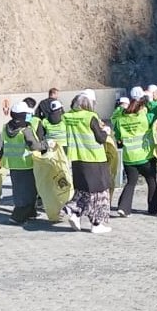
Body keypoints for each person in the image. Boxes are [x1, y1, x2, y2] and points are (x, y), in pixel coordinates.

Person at [60, 91, 113, 233]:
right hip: (94, 158)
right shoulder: (90, 117)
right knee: (99, 192)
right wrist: (106, 131)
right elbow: (100, 138)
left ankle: (75, 212)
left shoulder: (68, 116)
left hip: (77, 158)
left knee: (83, 189)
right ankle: (97, 223)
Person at [113, 88, 157, 217]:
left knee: (131, 182)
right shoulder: (145, 116)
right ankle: (154, 208)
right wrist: (150, 101)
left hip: (129, 157)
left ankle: (123, 207)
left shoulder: (121, 118)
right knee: (151, 181)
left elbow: (116, 131)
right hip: (145, 156)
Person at [0, 101, 48, 224]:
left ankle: (31, 212)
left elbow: (4, 146)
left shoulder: (5, 128)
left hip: (13, 164)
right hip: (26, 164)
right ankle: (19, 215)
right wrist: (46, 144)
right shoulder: (25, 130)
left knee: (18, 190)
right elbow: (34, 146)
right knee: (30, 191)